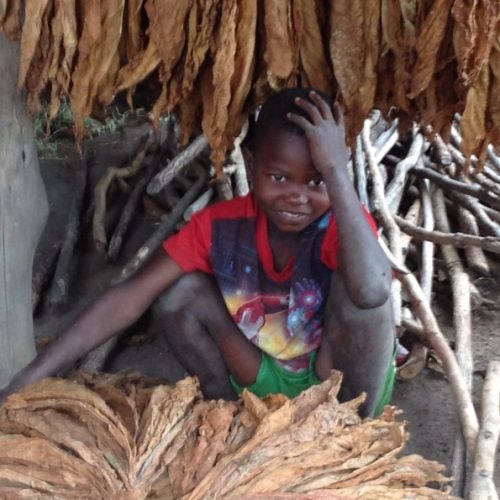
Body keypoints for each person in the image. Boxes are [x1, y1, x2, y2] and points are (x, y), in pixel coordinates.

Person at [0, 88, 395, 417]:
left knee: (368, 303)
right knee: (178, 291)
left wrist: (337, 175)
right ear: (251, 163)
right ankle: (224, 411)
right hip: (259, 373)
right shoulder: (219, 226)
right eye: (279, 177)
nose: (297, 196)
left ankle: (348, 427)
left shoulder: (343, 226)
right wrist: (29, 379)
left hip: (335, 381)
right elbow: (130, 296)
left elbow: (374, 289)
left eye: (317, 180)